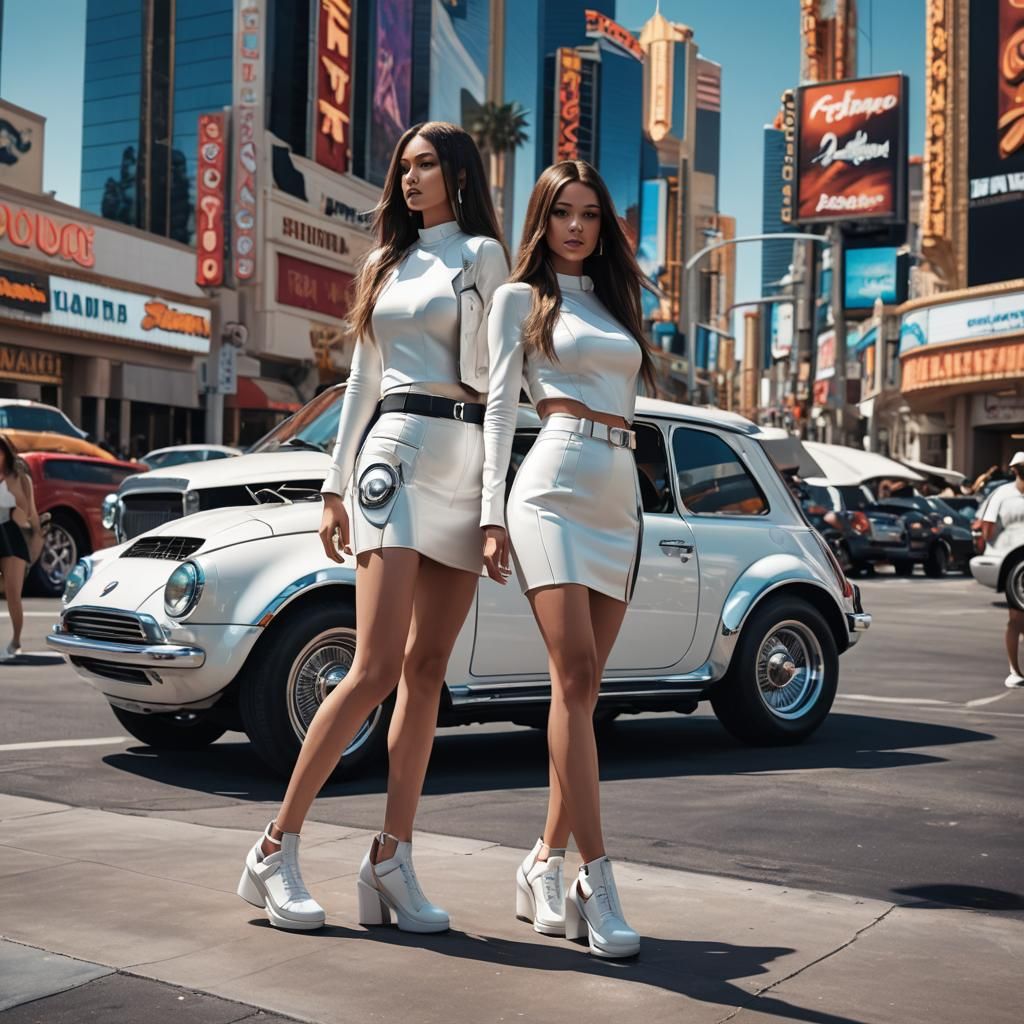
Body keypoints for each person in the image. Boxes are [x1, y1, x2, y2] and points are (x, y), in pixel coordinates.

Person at [237, 122, 510, 932]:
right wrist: (333, 484)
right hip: (392, 453)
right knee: (373, 667)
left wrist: (493, 505)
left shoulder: (483, 257)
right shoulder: (383, 262)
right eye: (404, 166)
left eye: (427, 164)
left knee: (429, 672)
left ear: (460, 174)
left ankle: (391, 859)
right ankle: (273, 848)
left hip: (463, 466)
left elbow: (500, 393)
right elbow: (359, 381)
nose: (411, 177)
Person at [484, 160, 657, 959]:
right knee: (576, 675)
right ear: (542, 220)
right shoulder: (519, 300)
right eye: (563, 213)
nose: (578, 226)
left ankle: (540, 862)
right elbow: (495, 412)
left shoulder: (618, 302)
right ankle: (596, 878)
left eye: (591, 213)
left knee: (581, 697)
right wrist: (491, 515)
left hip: (620, 497)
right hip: (550, 487)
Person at [981, 451, 1024, 688]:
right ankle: (1014, 670)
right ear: (1015, 470)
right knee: (1016, 618)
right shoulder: (1003, 494)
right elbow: (988, 526)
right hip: (1014, 564)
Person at [0, 434, 40, 661]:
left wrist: (35, 542)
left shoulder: (20, 478)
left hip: (12, 535)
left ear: (6, 453)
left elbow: (31, 514)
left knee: (13, 593)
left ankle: (16, 641)